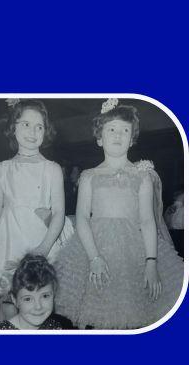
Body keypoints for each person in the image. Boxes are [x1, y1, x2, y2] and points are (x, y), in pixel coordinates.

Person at [55, 100, 183, 329]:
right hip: (94, 248)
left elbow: (147, 220)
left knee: (133, 310)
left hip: (134, 249)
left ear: (132, 138)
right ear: (99, 137)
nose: (118, 135)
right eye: (111, 129)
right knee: (99, 312)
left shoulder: (142, 175)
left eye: (125, 130)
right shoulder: (89, 176)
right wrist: (94, 257)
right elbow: (82, 218)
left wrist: (151, 262)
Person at [0, 99, 72, 324]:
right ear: (13, 128)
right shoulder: (2, 168)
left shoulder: (51, 169)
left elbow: (59, 212)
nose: (33, 132)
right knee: (8, 304)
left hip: (42, 240)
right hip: (10, 240)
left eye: (39, 126)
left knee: (38, 303)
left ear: (46, 131)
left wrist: (44, 247)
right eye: (26, 125)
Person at [0, 254, 74, 330]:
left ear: (53, 294)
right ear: (14, 300)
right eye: (28, 299)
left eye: (45, 296)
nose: (38, 307)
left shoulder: (59, 327)